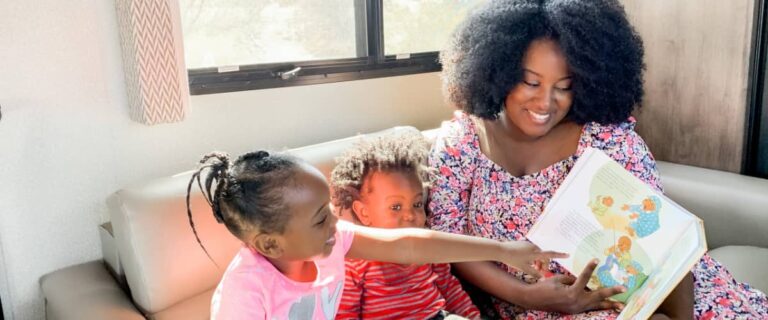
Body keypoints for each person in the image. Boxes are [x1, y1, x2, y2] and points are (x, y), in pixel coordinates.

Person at [428, 0, 768, 319]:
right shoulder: (462, 143)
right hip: (537, 309)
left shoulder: (606, 140)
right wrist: (527, 295)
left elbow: (662, 250)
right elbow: (450, 247)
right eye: (531, 82)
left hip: (642, 299)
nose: (546, 103)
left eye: (564, 86)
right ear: (497, 70)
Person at [185, 150, 564, 320]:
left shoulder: (330, 240)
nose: (337, 223)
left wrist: (504, 250)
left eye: (331, 212)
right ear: (271, 244)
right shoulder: (245, 293)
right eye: (321, 219)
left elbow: (412, 245)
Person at [331, 131, 480, 320]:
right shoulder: (355, 260)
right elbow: (346, 314)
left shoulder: (428, 245)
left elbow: (449, 288)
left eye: (417, 204)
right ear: (363, 212)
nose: (410, 215)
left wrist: (473, 316)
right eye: (395, 207)